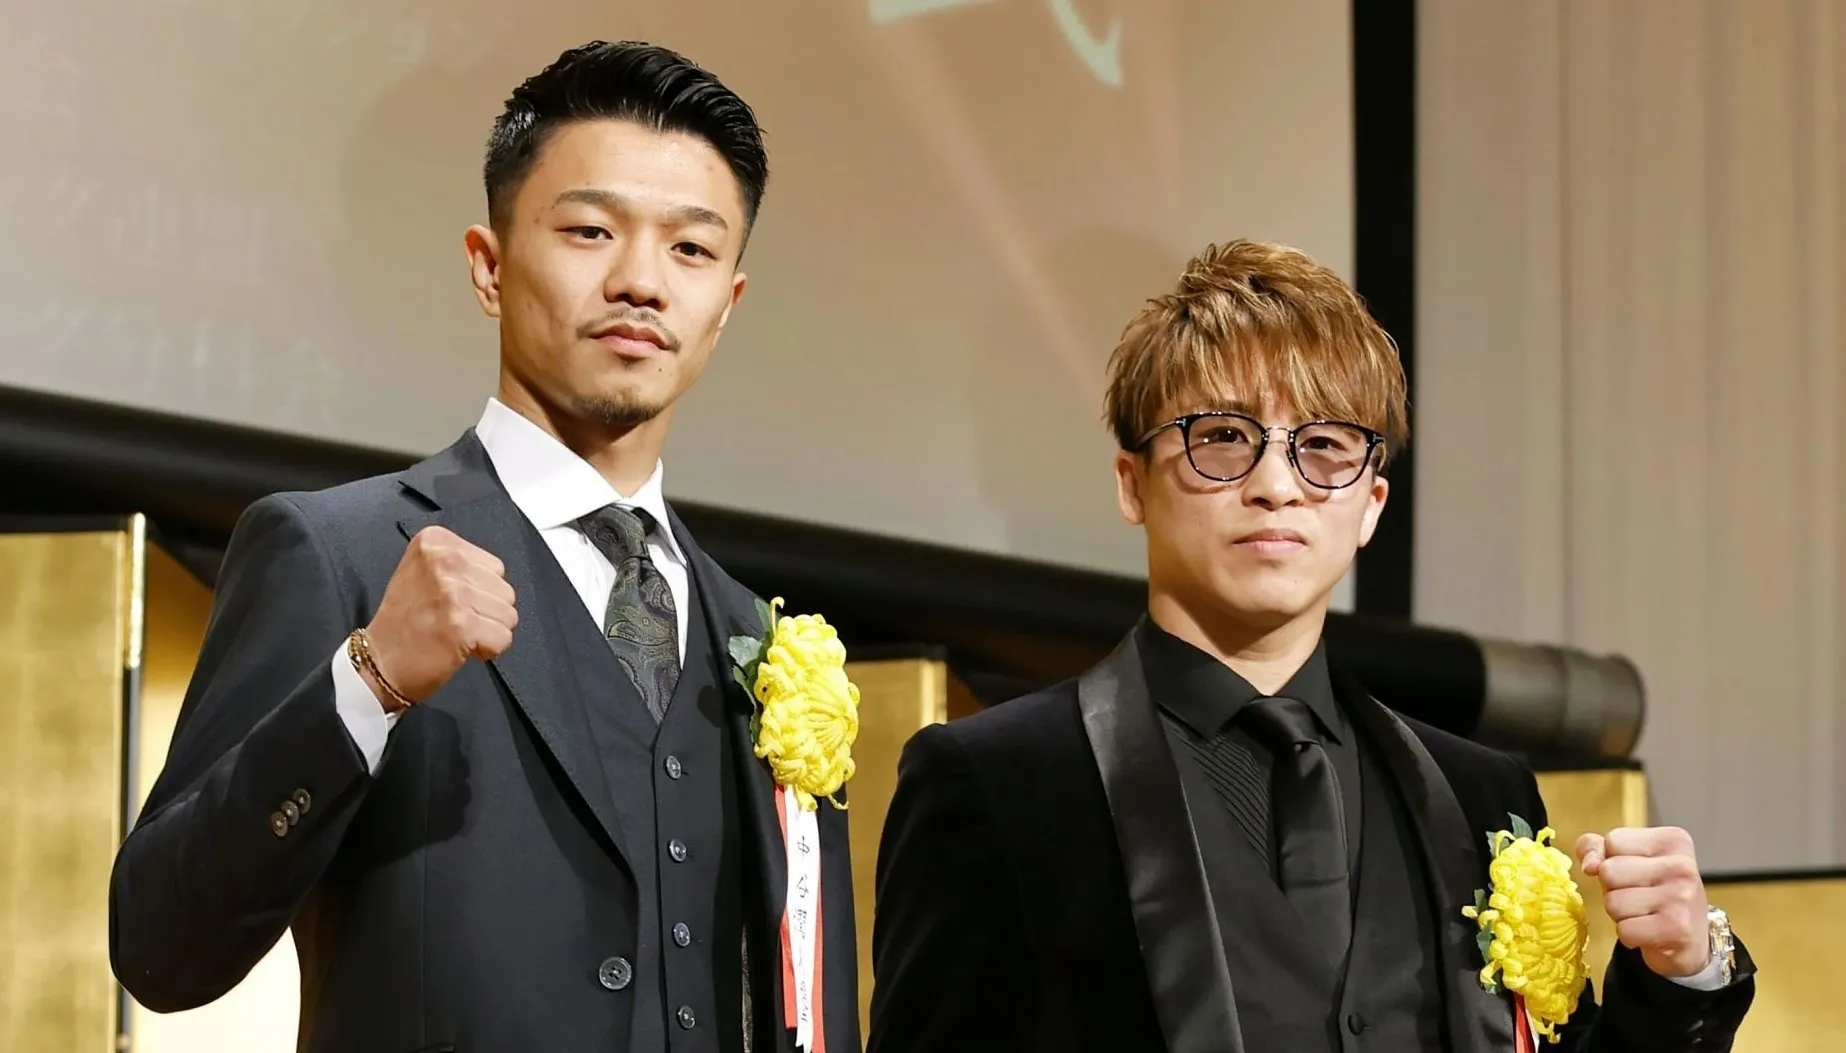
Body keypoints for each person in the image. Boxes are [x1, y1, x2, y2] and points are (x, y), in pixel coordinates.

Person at [109, 41, 859, 1053]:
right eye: (591, 231)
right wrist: (366, 685)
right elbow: (160, 946)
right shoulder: (340, 553)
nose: (641, 281)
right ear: (489, 267)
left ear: (726, 305)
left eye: (690, 249)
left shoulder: (758, 641)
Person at [866, 240, 1756, 1052]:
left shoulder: (1482, 794)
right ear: (1132, 483)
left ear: (1371, 503)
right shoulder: (998, 781)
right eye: (1222, 438)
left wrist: (1681, 974)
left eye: (1323, 445)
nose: (1276, 484)